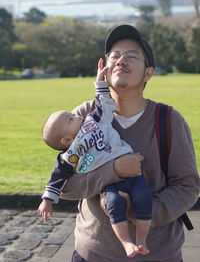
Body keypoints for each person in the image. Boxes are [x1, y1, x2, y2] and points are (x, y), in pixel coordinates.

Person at [58, 24, 200, 262]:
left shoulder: (168, 120)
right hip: (93, 254)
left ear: (148, 73)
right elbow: (64, 184)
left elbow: (187, 186)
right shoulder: (82, 117)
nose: (121, 61)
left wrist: (139, 210)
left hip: (158, 255)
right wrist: (112, 170)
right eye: (114, 56)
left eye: (131, 57)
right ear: (103, 67)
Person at [38, 59, 152, 258]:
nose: (77, 116)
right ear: (66, 139)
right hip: (110, 186)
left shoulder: (92, 121)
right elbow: (58, 177)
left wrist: (100, 81)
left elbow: (103, 104)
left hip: (134, 177)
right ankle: (126, 243)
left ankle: (141, 240)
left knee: (144, 198)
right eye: (71, 119)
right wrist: (47, 199)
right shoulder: (70, 155)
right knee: (114, 205)